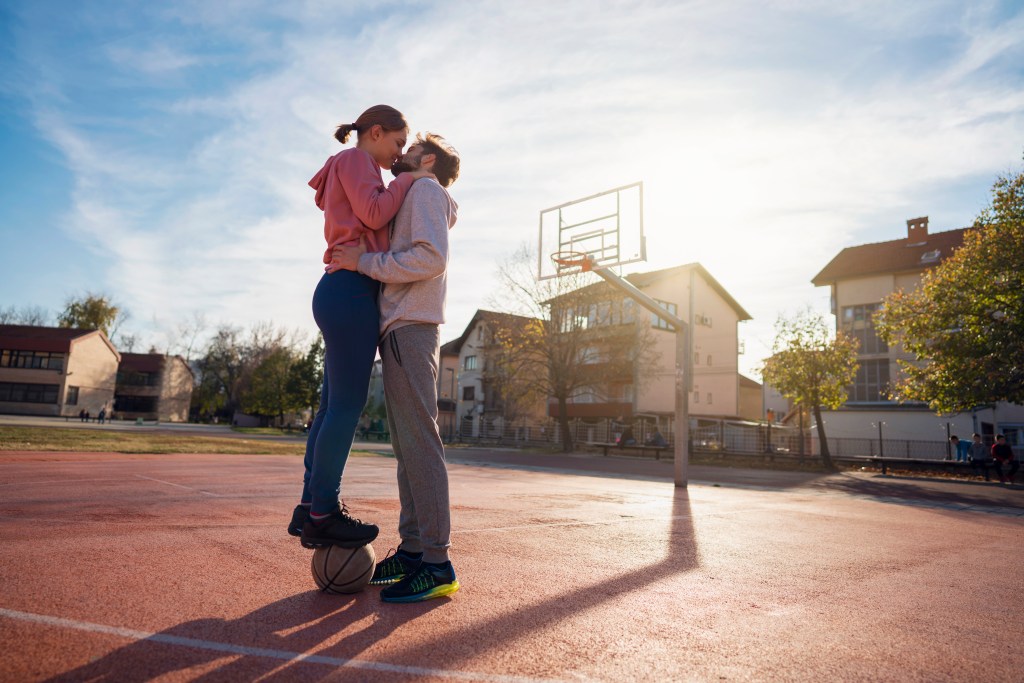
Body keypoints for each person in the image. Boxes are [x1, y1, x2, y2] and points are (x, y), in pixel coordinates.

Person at [287, 105, 434, 550]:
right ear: (374, 133)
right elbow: (373, 214)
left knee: (333, 406)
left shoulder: (355, 166)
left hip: (345, 292)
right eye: (396, 144)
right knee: (347, 408)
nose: (398, 155)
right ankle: (323, 513)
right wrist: (409, 179)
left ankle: (310, 506)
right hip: (349, 292)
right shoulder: (356, 161)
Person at [328, 132, 461, 602]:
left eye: (408, 150)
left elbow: (430, 257)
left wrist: (364, 262)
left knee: (420, 443)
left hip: (411, 325)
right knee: (407, 446)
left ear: (425, 160)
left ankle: (438, 562)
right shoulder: (420, 195)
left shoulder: (424, 189)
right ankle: (413, 550)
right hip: (403, 327)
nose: (398, 156)